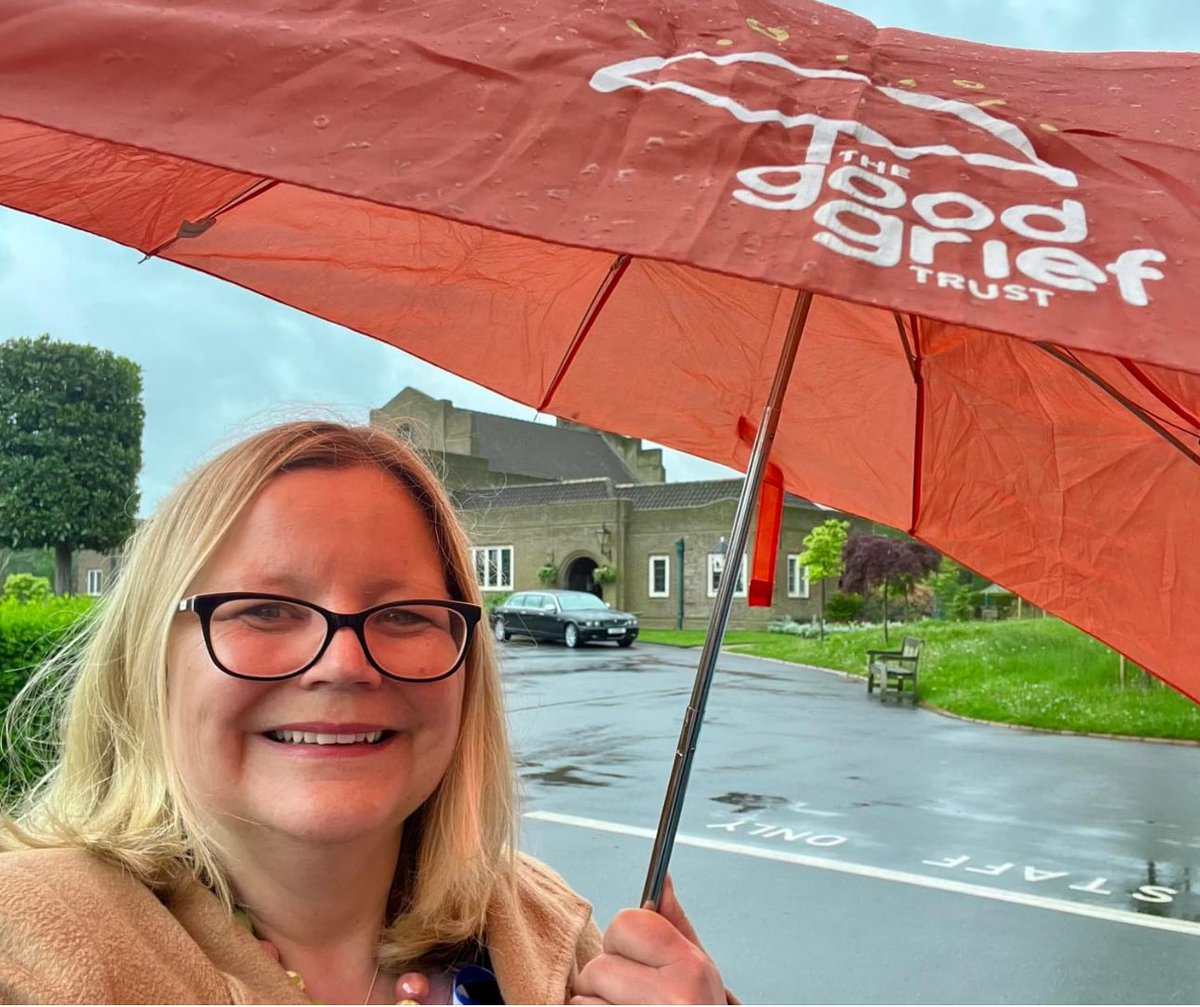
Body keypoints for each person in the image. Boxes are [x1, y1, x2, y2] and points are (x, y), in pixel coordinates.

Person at [0, 421, 727, 1004]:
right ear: (150, 657)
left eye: (405, 614)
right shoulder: (34, 947)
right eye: (266, 609)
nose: (345, 665)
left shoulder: (546, 932)